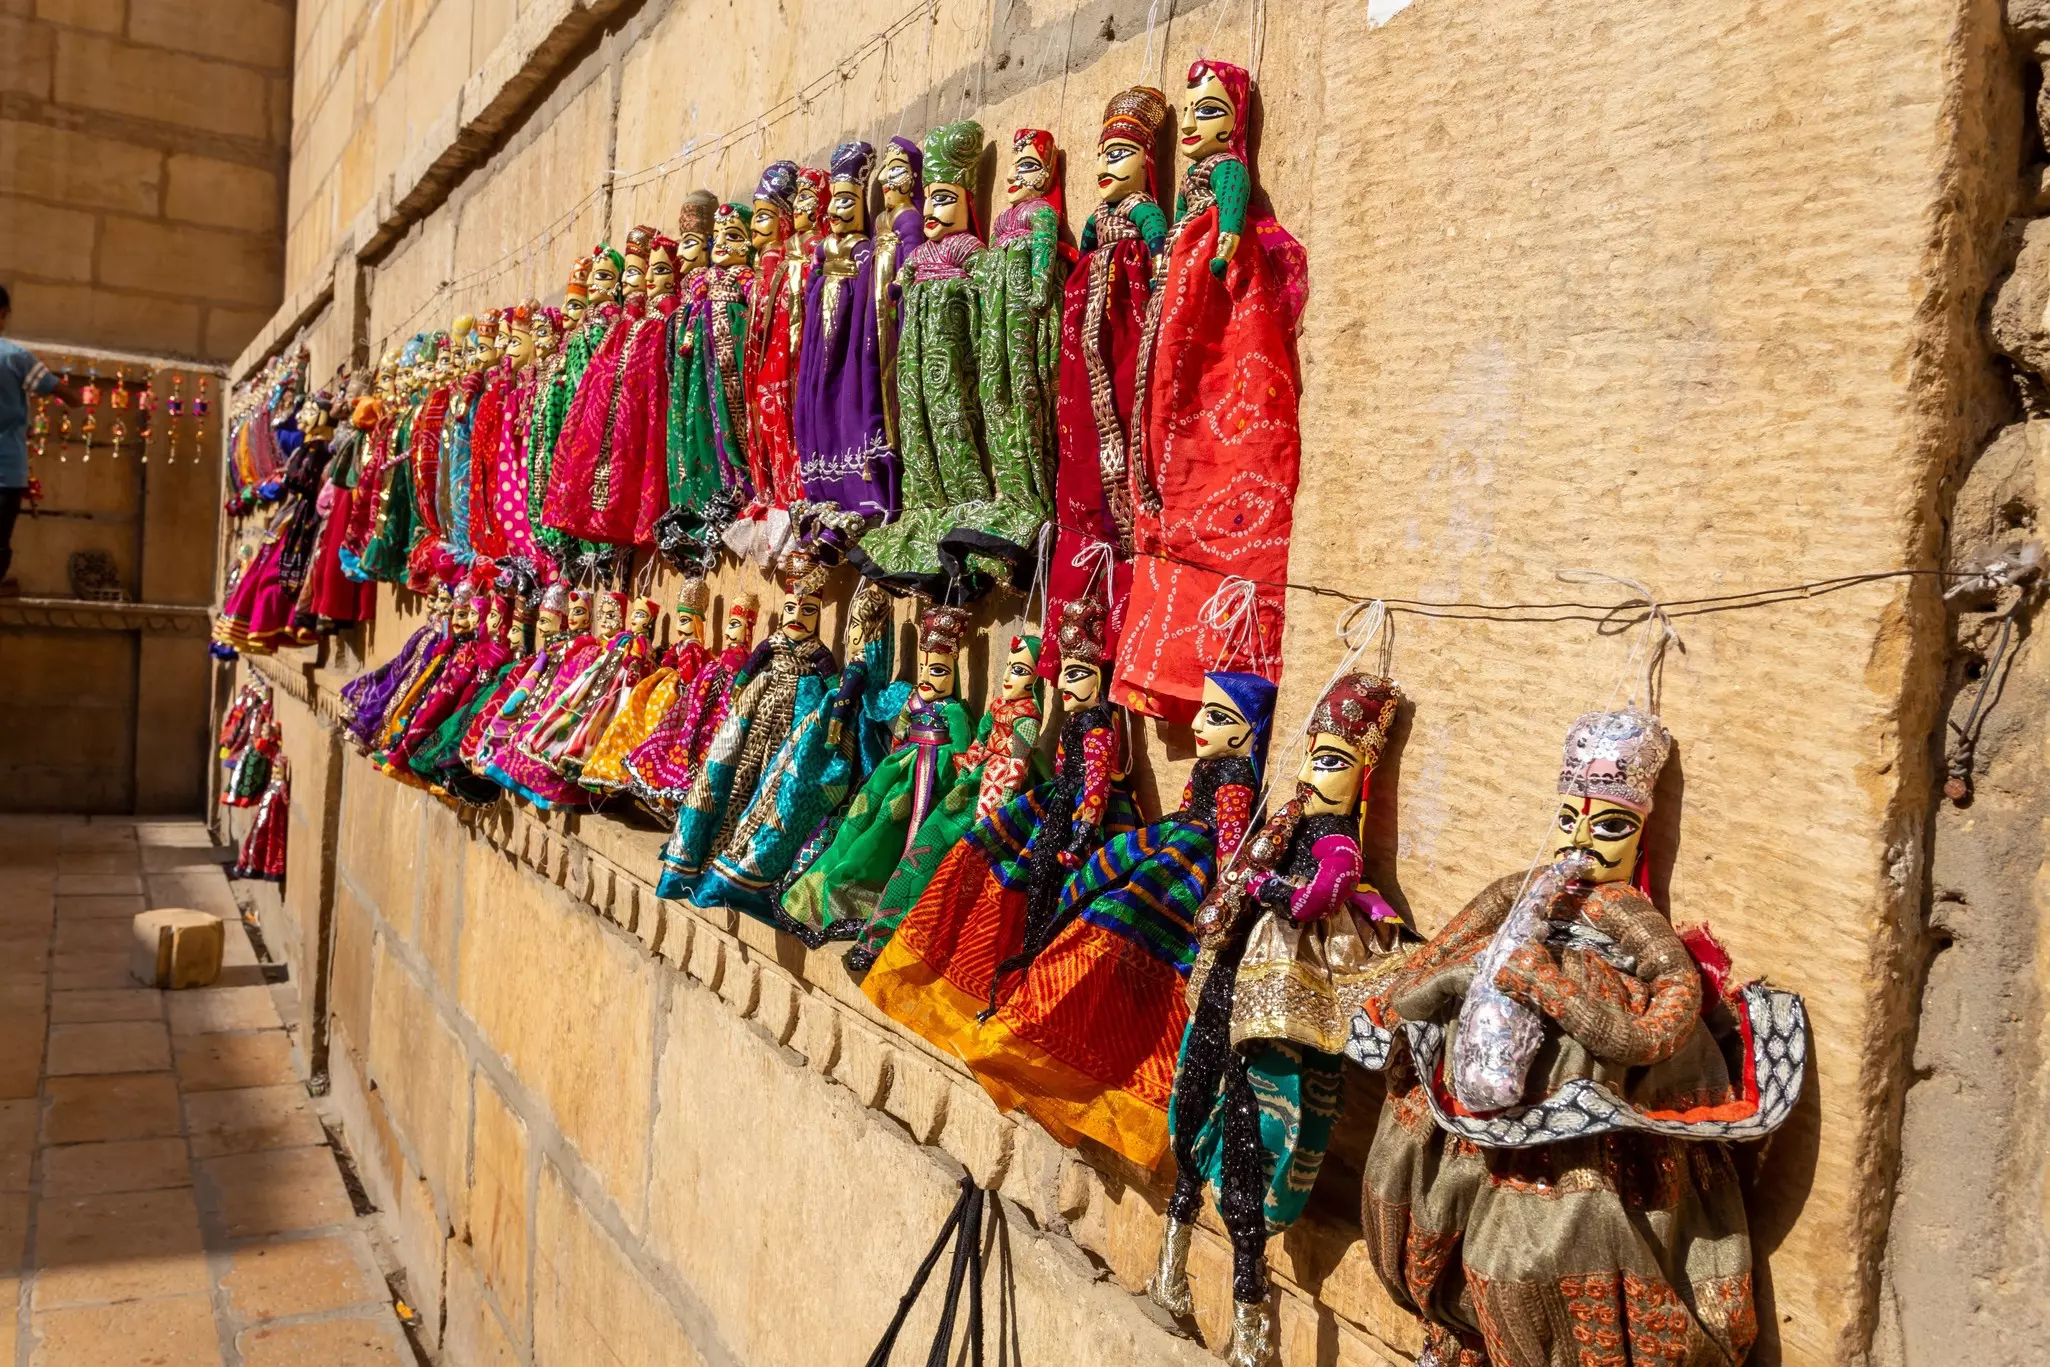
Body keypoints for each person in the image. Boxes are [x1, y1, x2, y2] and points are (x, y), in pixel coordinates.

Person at [0, 285, 82, 593]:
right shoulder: (14, 357)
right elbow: (60, 392)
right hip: (6, 468)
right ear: (2, 315)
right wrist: (78, 397)